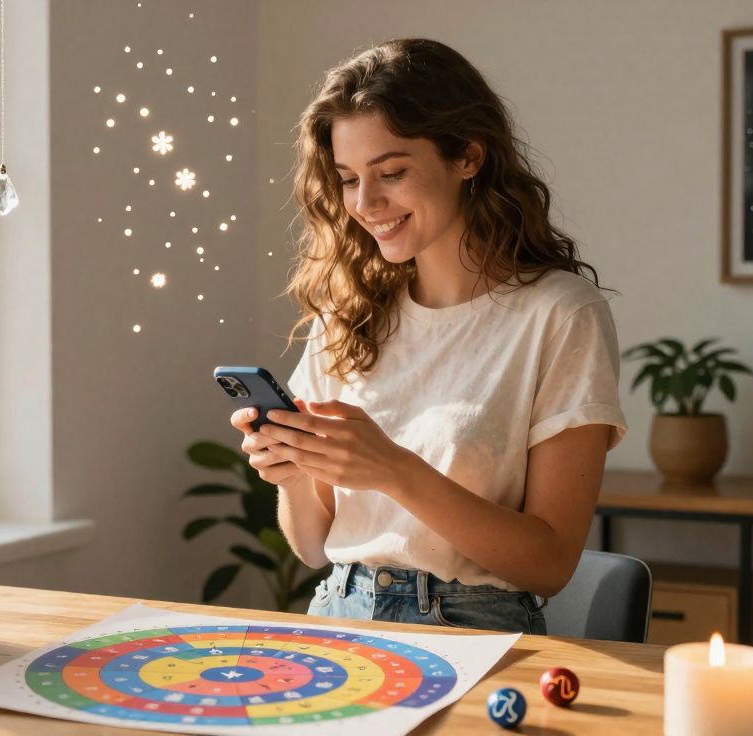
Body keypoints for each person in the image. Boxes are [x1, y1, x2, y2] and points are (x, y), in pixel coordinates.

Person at [228, 39, 627, 634]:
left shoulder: (560, 314)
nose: (366, 204)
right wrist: (293, 472)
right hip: (338, 616)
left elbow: (549, 564)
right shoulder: (348, 314)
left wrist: (393, 469)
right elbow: (313, 548)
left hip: (475, 628)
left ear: (467, 156)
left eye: (392, 172)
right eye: (347, 178)